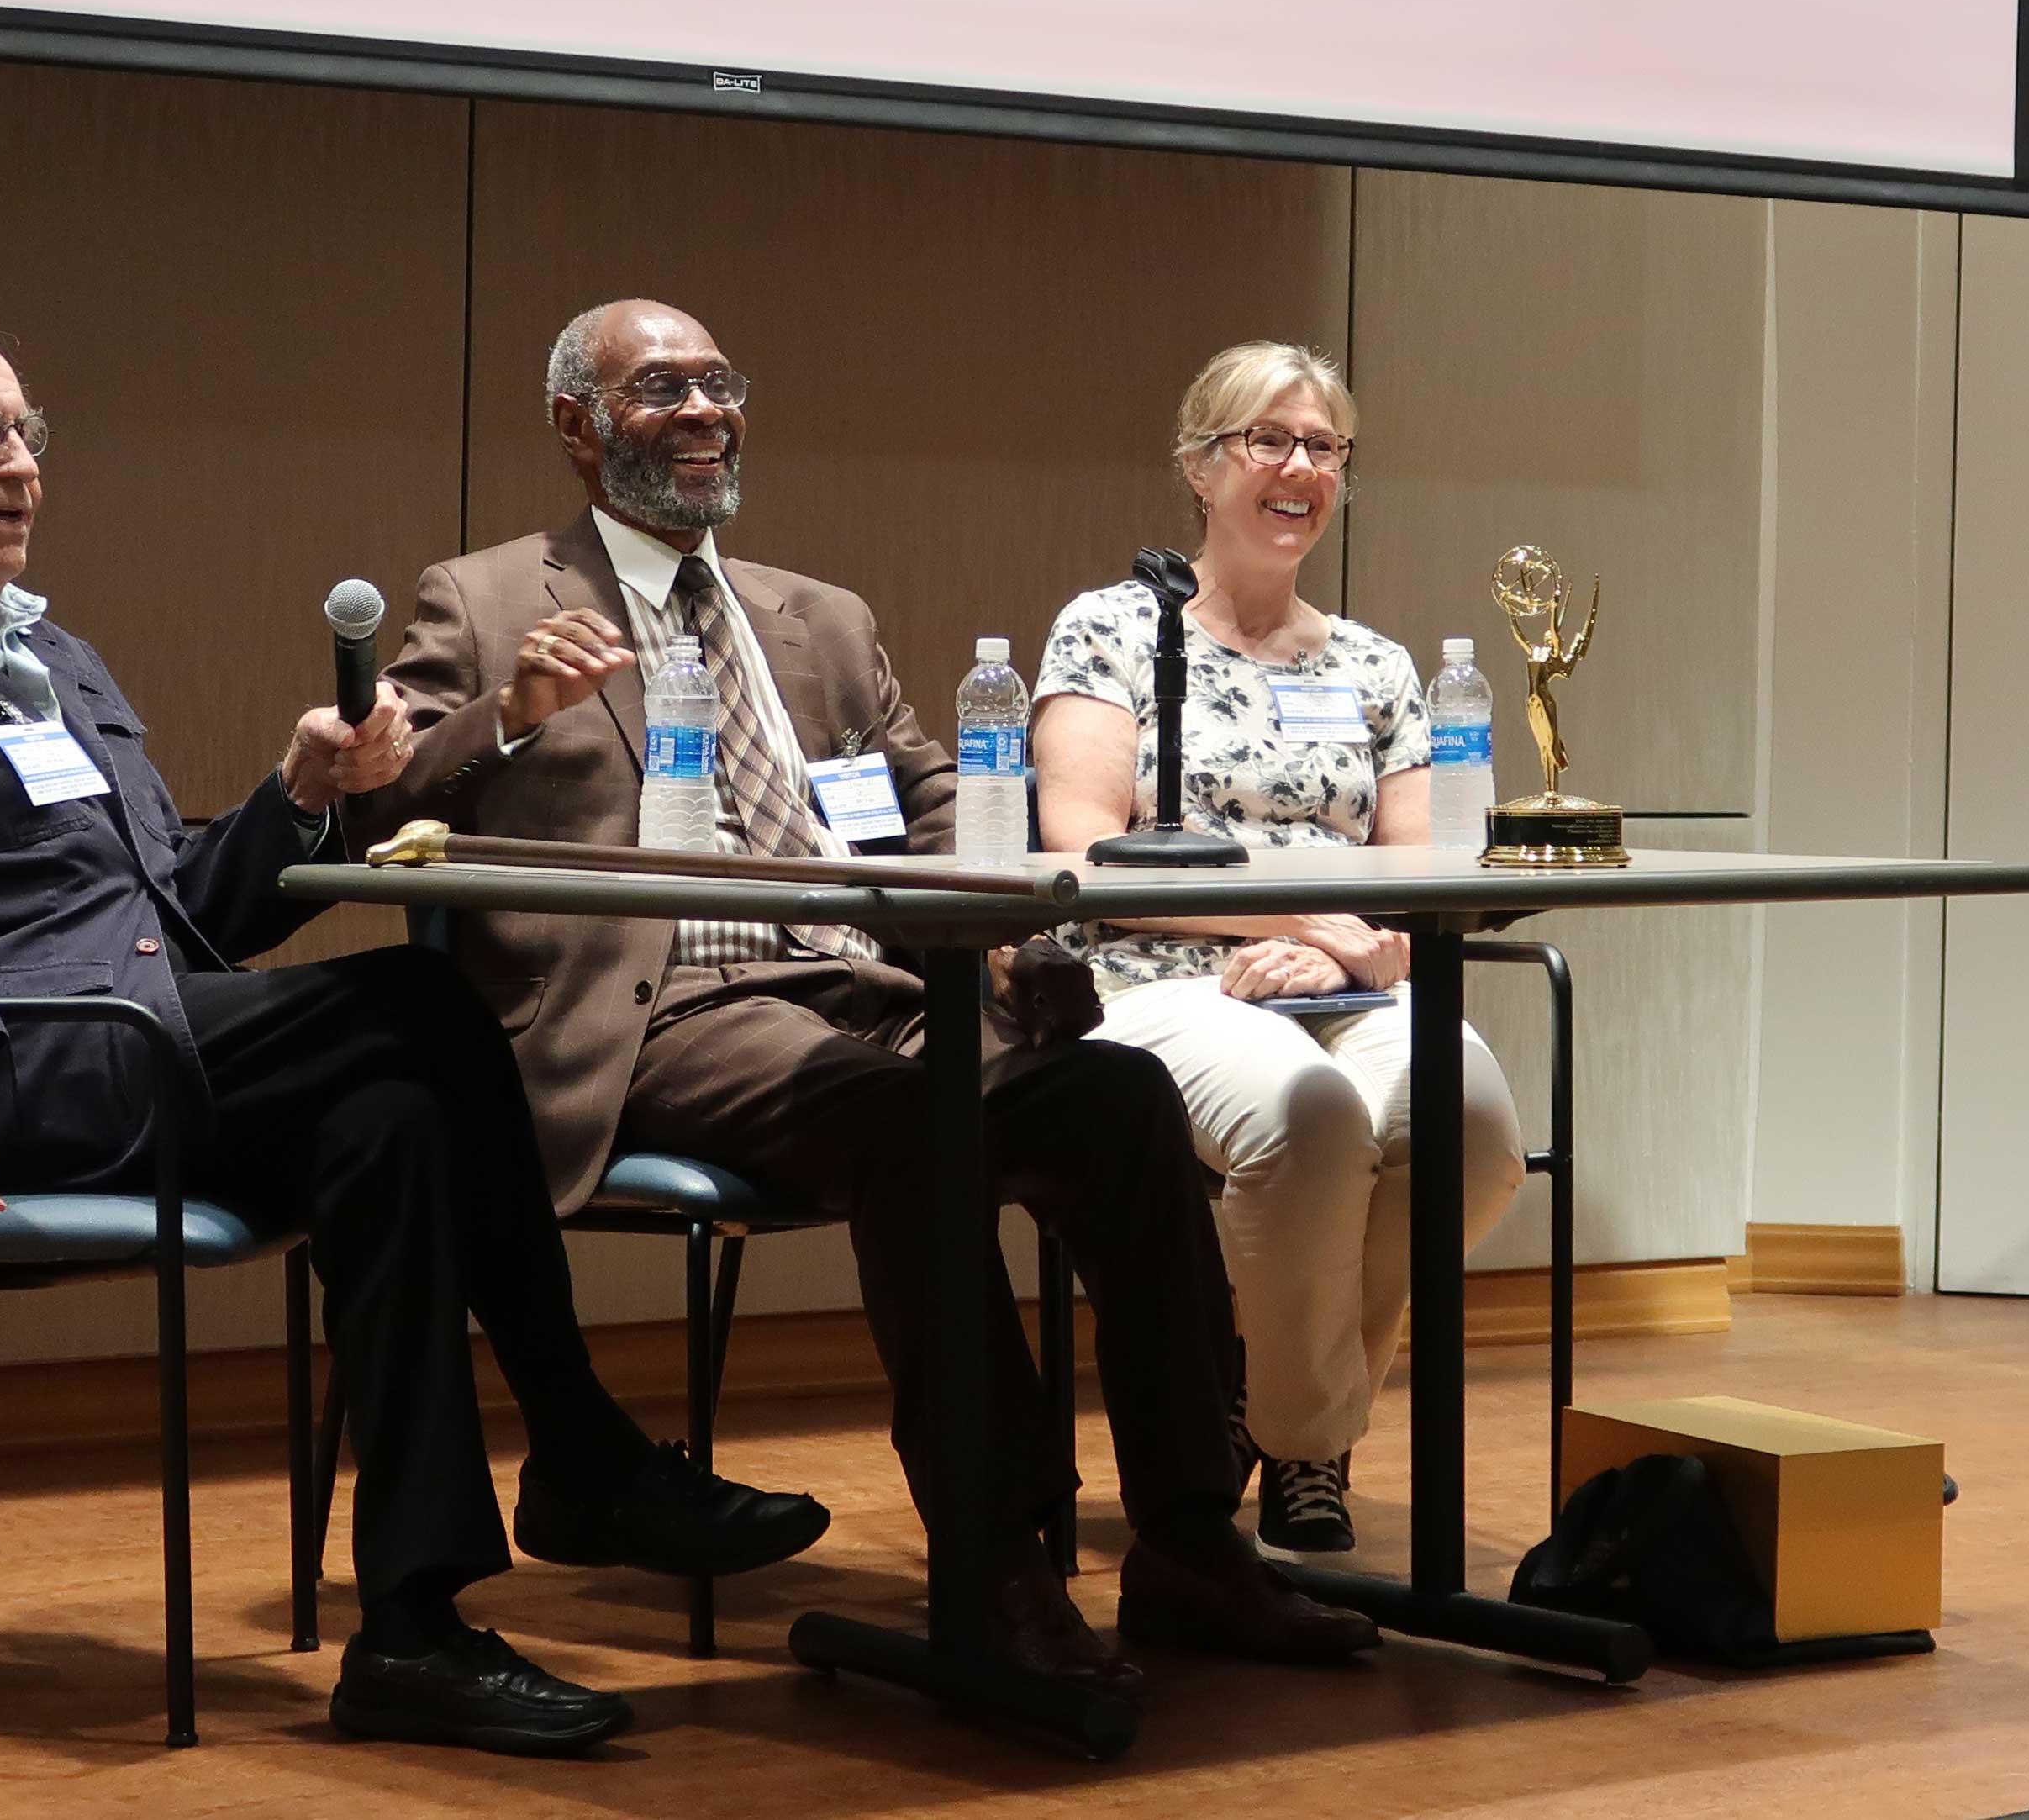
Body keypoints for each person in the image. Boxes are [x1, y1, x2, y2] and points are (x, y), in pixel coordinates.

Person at [0, 311, 827, 1758]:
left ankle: (412, 1629)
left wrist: (296, 793)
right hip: (2, 1063)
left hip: (132, 1036)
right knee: (419, 1003)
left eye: (30, 433)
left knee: (390, 1123)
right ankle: (582, 1447)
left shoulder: (57, 662)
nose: (22, 466)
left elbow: (185, 917)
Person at [369, 299, 1377, 1690]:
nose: (706, 412)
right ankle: (1000, 1573)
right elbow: (393, 789)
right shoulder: (484, 598)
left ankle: (1193, 1544)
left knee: (1120, 1100)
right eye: (662, 389)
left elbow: (936, 793)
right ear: (576, 427)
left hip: (878, 984)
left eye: (720, 383)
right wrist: (514, 713)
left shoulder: (816, 617)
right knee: (917, 1128)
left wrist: (1016, 912)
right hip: (668, 1014)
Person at [1029, 341, 1529, 1555]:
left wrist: (1356, 955)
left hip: (1345, 979)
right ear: (1202, 469)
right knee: (1308, 1121)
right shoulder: (1112, 630)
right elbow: (1084, 852)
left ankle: (1277, 1408)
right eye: (1269, 439)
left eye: (1324, 447)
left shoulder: (1375, 665)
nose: (1299, 466)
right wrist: (1284, 924)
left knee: (1467, 1126)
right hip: (1157, 976)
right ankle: (1316, 1446)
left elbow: (1429, 873)